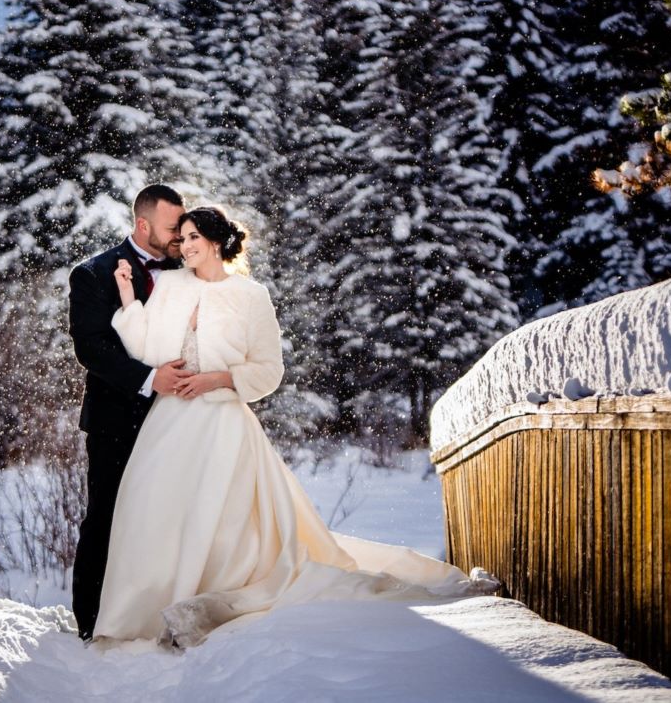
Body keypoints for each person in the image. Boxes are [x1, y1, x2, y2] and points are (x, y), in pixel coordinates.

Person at [93, 205, 498, 648]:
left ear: (215, 242)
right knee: (156, 512)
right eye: (182, 238)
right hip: (169, 421)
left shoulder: (251, 296)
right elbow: (146, 347)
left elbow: (268, 371)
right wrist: (129, 298)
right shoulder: (169, 286)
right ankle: (144, 613)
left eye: (193, 238)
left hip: (223, 422)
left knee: (224, 520)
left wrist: (220, 378)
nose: (184, 247)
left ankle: (212, 597)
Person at [68, 184, 196, 641]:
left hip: (183, 419)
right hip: (117, 421)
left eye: (182, 227)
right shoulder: (94, 273)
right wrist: (148, 379)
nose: (180, 237)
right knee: (107, 516)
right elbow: (92, 348)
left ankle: (163, 614)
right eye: (170, 228)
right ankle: (93, 621)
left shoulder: (192, 270)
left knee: (174, 517)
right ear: (143, 225)